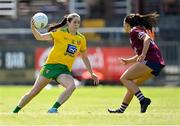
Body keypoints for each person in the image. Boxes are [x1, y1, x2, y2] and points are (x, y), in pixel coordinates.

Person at [13, 13, 99, 113]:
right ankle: (15, 111)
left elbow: (85, 57)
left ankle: (53, 108)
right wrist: (33, 28)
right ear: (68, 22)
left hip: (64, 70)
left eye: (78, 23)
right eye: (74, 22)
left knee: (72, 86)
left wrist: (91, 72)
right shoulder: (59, 32)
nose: (77, 24)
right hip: (51, 66)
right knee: (34, 92)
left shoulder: (81, 39)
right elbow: (39, 37)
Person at [108, 12, 165, 113]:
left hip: (151, 61)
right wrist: (128, 61)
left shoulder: (134, 31)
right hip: (156, 63)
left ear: (127, 24)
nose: (123, 26)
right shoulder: (138, 31)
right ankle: (121, 109)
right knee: (132, 85)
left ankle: (143, 100)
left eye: (123, 23)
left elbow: (147, 39)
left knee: (124, 78)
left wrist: (143, 54)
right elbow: (141, 52)